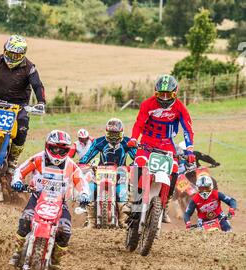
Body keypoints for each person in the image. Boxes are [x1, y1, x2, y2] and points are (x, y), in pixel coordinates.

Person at [10, 130, 89, 270]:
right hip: (37, 198)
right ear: (48, 146)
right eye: (55, 149)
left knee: (65, 231)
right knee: (25, 220)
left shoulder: (71, 165)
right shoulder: (38, 159)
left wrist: (84, 194)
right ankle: (17, 252)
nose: (58, 154)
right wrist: (17, 182)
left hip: (60, 202)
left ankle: (56, 262)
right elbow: (20, 170)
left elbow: (82, 182)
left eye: (63, 150)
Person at [0, 34, 46, 173]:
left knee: (22, 126)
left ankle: (13, 159)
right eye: (9, 54)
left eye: (16, 56)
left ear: (22, 55)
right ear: (5, 50)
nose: (12, 58)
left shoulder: (29, 67)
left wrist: (41, 102)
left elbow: (37, 85)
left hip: (19, 106)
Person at [127, 74, 196, 223]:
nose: (164, 98)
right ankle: (133, 199)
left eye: (168, 94)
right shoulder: (147, 104)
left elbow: (187, 130)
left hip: (166, 143)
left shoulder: (180, 108)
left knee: (175, 168)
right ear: (155, 93)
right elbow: (139, 123)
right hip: (147, 142)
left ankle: (164, 206)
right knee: (138, 163)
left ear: (175, 93)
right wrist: (133, 138)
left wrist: (190, 150)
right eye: (161, 94)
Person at [79, 118, 136, 228]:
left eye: (116, 134)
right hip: (102, 170)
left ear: (121, 133)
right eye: (111, 134)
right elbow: (87, 156)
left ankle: (123, 220)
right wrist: (82, 164)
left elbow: (137, 158)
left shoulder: (127, 142)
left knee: (123, 191)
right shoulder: (99, 142)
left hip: (120, 171)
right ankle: (91, 221)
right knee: (90, 187)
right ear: (106, 133)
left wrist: (133, 165)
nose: (113, 137)